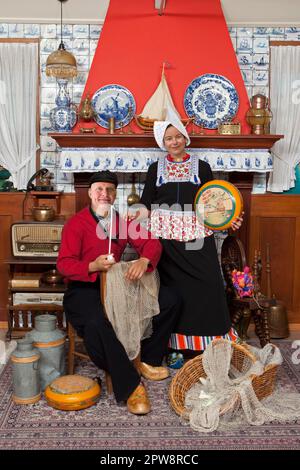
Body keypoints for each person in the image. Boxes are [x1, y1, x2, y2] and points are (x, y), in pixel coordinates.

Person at [57, 170, 180, 415]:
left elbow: (152, 243)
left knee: (172, 300)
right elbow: (64, 265)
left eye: (110, 190)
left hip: (118, 285)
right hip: (85, 288)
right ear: (91, 193)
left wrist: (144, 259)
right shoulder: (76, 223)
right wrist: (93, 266)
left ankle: (148, 359)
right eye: (99, 189)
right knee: (96, 323)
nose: (105, 194)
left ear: (115, 195)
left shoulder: (121, 222)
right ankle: (132, 386)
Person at [137, 118, 243, 356]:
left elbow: (215, 200)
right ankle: (173, 346)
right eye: (168, 138)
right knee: (172, 292)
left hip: (196, 235)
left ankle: (208, 346)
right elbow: (146, 202)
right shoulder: (156, 168)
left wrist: (230, 218)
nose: (174, 141)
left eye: (178, 136)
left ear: (185, 138)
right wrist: (132, 216)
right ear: (162, 142)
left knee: (208, 285)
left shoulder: (202, 166)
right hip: (165, 238)